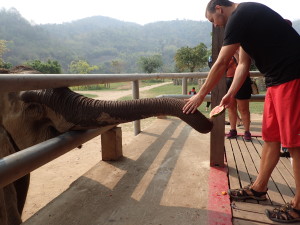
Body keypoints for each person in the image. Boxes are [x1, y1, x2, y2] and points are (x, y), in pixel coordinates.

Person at [182, 0, 300, 223]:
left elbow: (222, 62)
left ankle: (299, 206)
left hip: (293, 76)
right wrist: (230, 94)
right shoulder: (244, 25)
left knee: (295, 144)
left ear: (218, 8)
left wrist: (200, 95)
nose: (216, 26)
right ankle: (258, 188)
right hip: (276, 81)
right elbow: (243, 65)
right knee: (271, 138)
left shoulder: (241, 13)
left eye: (212, 20)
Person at [226, 49, 252, 141]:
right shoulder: (226, 49)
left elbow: (243, 63)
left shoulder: (243, 48)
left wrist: (235, 52)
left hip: (242, 80)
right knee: (231, 107)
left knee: (243, 109)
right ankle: (233, 130)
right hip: (228, 80)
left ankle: (247, 131)